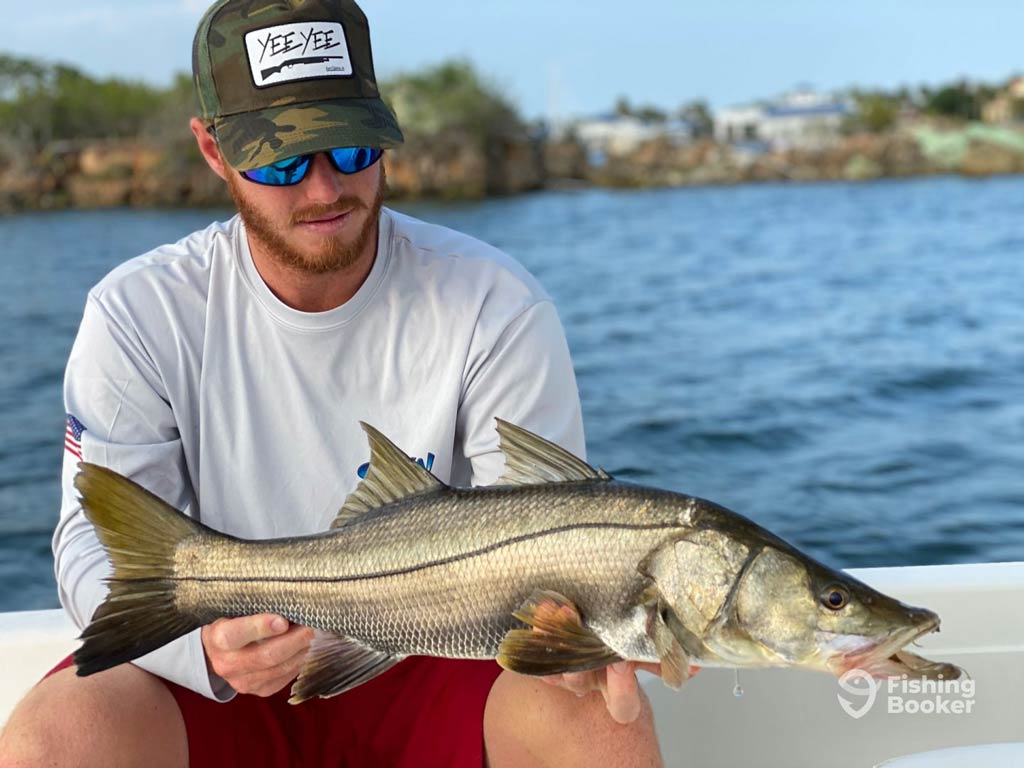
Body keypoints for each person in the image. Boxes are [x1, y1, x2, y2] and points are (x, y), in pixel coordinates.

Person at [0, 0, 686, 765]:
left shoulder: (496, 303)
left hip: (439, 659)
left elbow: (551, 552)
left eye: (351, 149)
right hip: (219, 684)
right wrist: (209, 651)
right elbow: (92, 551)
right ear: (212, 150)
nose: (324, 189)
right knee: (56, 740)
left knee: (602, 723)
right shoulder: (137, 312)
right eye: (280, 160)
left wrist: (596, 633)